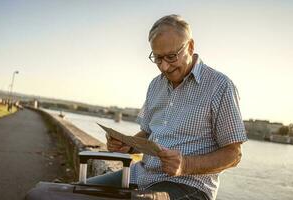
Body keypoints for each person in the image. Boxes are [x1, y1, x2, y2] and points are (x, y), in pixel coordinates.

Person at [87, 14, 248, 200]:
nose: (164, 67)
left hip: (189, 186)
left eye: (171, 57)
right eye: (157, 58)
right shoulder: (155, 85)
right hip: (141, 176)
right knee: (74, 192)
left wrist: (185, 165)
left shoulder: (220, 86)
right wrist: (127, 145)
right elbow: (147, 134)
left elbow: (233, 154)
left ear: (190, 46)